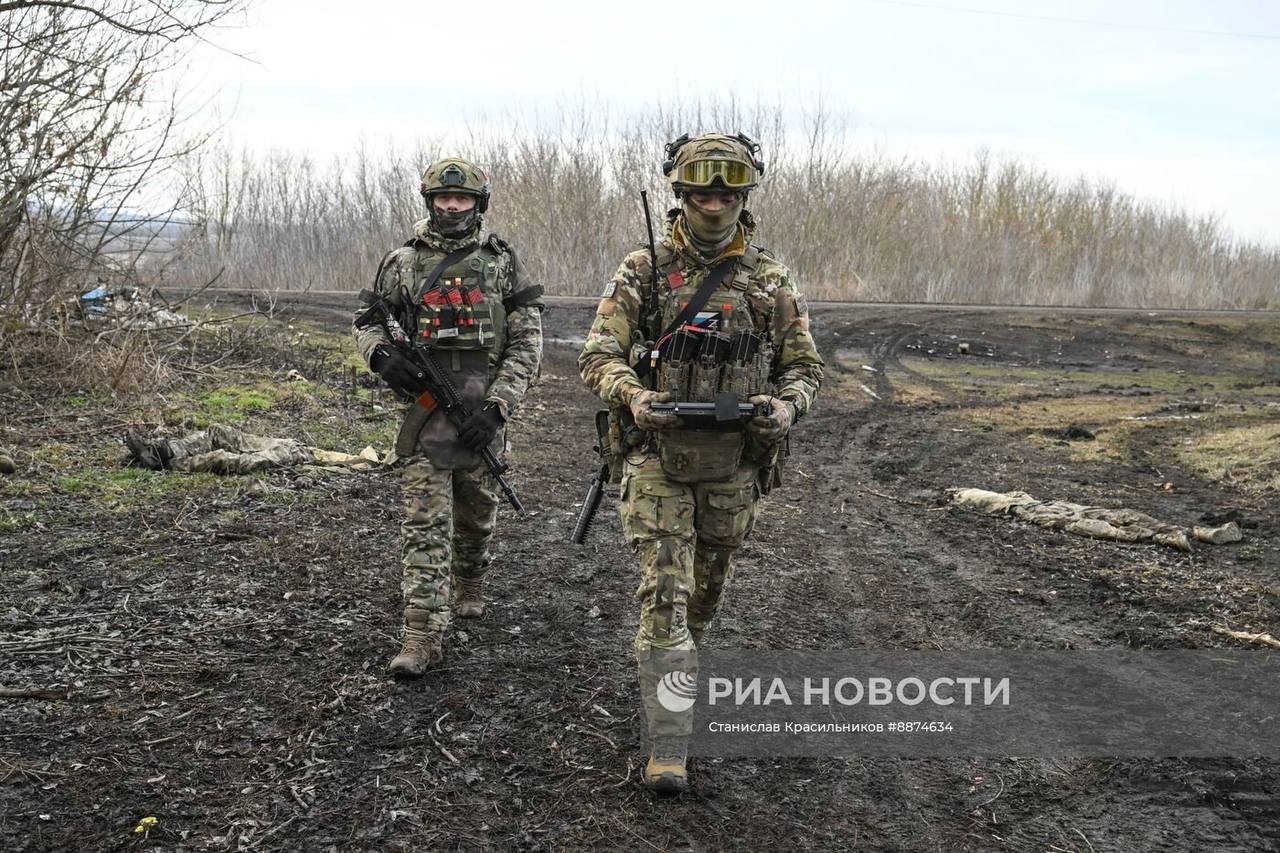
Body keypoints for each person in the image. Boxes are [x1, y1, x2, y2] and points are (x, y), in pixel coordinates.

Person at [578, 133, 823, 793]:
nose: (714, 203)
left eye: (727, 191)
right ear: (679, 194)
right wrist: (633, 395)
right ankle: (669, 745)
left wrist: (786, 406)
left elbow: (804, 366)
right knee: (666, 596)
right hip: (656, 457)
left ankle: (676, 681)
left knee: (703, 598)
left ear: (744, 196)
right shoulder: (645, 269)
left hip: (733, 467)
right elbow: (597, 353)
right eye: (702, 191)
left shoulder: (770, 280)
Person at [353, 158, 543, 679]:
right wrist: (381, 357)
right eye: (442, 198)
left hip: (483, 414)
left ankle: (471, 576)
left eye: (461, 199)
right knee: (423, 525)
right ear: (429, 201)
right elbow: (367, 322)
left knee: (477, 516)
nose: (451, 206)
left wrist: (499, 405)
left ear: (477, 203)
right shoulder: (401, 262)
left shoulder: (503, 263)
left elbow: (528, 341)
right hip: (424, 418)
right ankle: (420, 633)